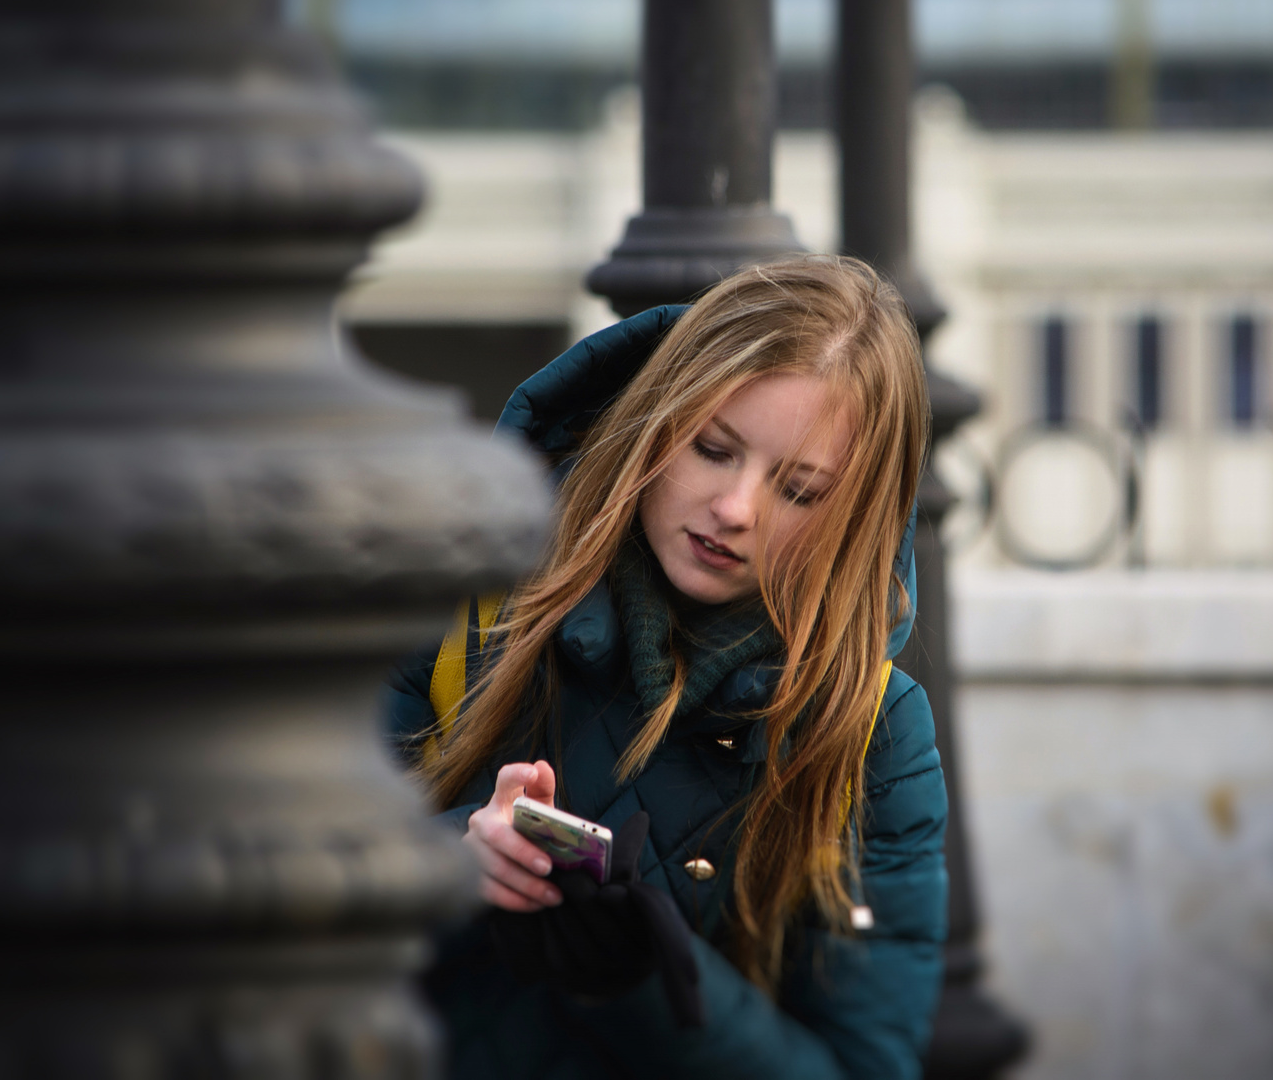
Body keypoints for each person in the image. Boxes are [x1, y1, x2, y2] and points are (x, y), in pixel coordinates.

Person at [388, 255, 948, 1078]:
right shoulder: (473, 601)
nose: (735, 509)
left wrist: (646, 977)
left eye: (799, 491)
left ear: (855, 516)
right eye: (713, 449)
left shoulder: (871, 730)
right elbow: (274, 888)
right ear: (654, 420)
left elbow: (863, 1064)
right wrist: (453, 865)